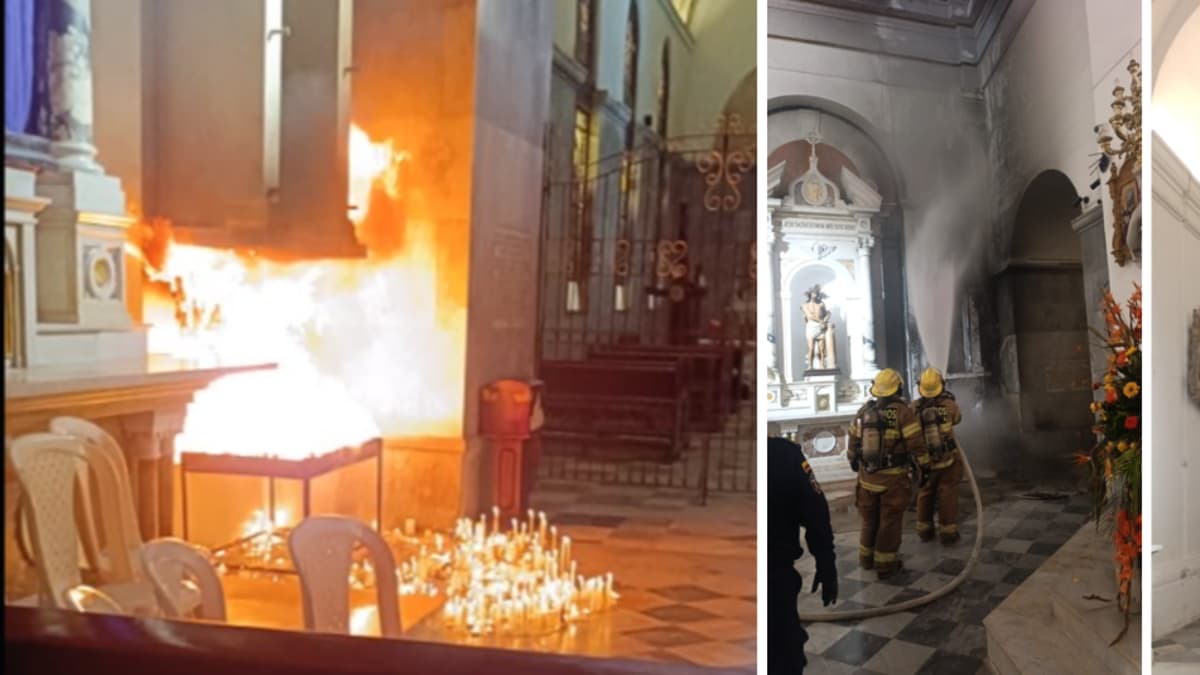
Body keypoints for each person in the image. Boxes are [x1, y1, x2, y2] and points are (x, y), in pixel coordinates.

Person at [846, 368, 929, 579]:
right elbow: (916, 444)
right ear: (898, 389)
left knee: (868, 520)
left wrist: (854, 461)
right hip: (893, 480)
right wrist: (925, 466)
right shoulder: (902, 412)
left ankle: (866, 559)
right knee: (889, 522)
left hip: (867, 478)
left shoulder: (864, 411)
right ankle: (885, 565)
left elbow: (853, 441)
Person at [768, 433, 837, 674]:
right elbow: (815, 510)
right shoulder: (783, 454)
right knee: (784, 653)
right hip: (774, 576)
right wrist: (826, 560)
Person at [913, 367, 965, 544]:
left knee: (925, 493)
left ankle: (924, 531)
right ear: (941, 385)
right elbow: (958, 419)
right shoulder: (949, 405)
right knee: (947, 493)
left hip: (924, 462)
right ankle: (948, 532)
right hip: (947, 459)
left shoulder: (914, 407)